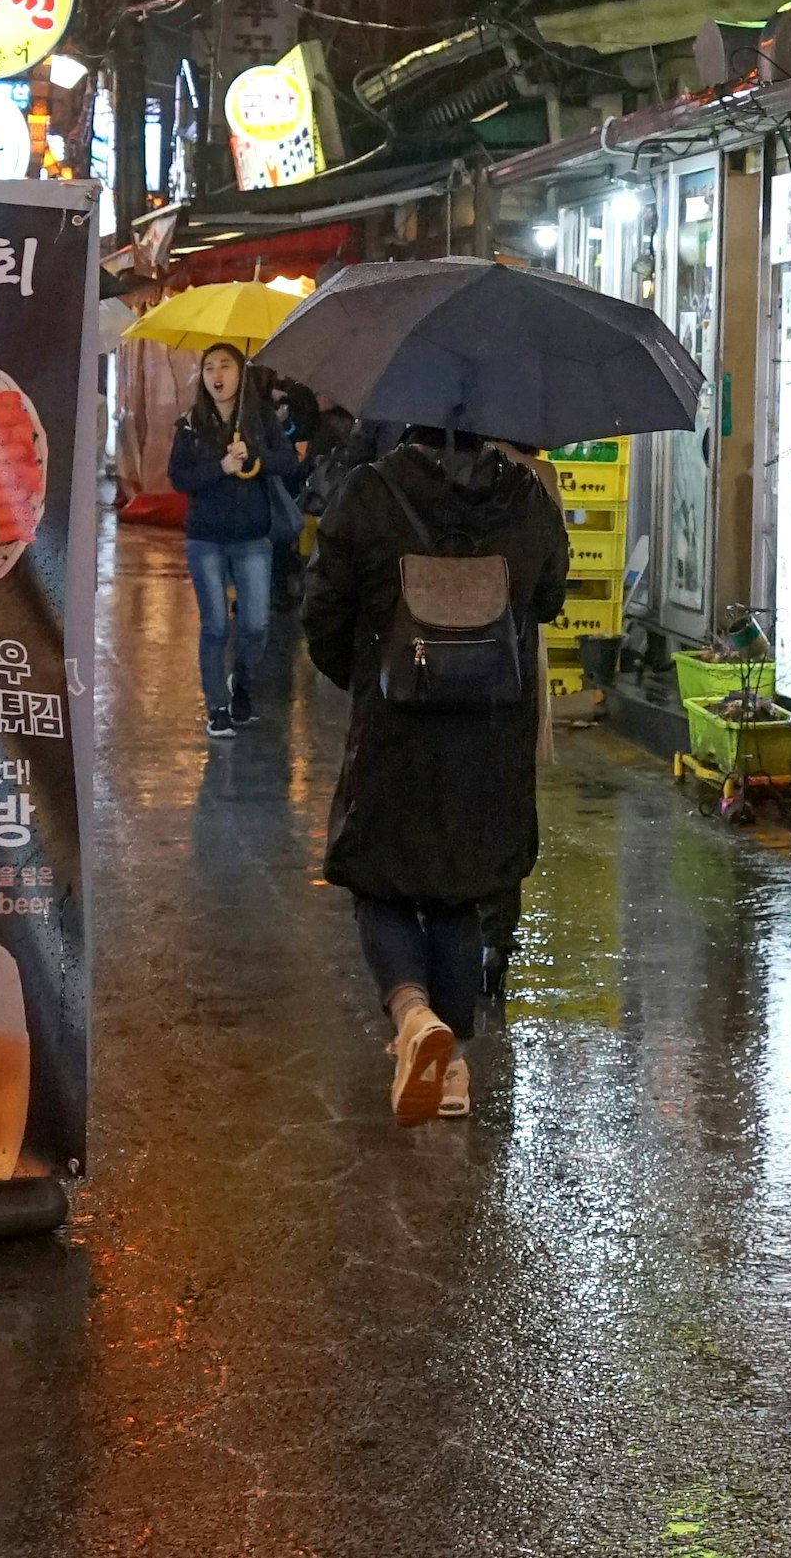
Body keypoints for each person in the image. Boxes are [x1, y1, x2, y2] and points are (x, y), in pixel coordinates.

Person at [304, 427, 568, 1125]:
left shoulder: (368, 492)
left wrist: (371, 676)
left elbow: (323, 613)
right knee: (460, 891)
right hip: (490, 730)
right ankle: (450, 1072)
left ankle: (413, 1013)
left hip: (395, 727)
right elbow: (547, 597)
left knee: (379, 877)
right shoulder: (529, 499)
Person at [165, 342, 277, 736]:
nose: (217, 374)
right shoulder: (191, 423)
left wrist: (254, 455)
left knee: (256, 624)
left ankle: (241, 685)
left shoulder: (260, 417)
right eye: (209, 366)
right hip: (206, 538)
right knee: (214, 625)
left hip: (252, 537)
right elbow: (179, 478)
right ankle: (217, 707)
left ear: (239, 373)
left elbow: (289, 464)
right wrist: (221, 466)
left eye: (225, 366)